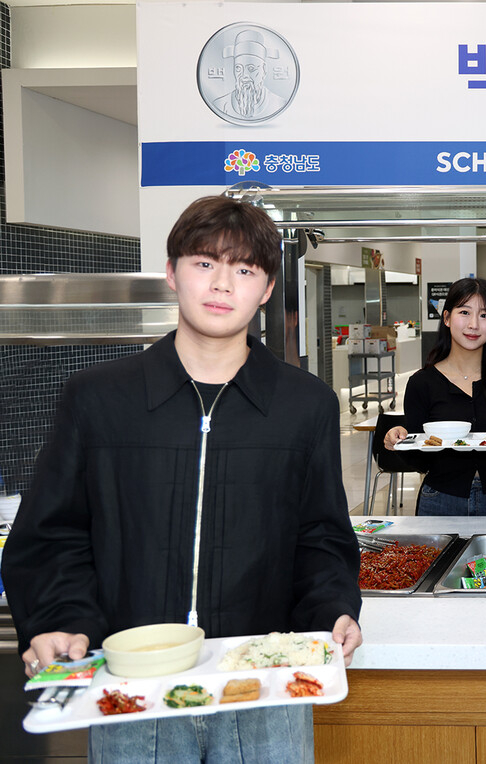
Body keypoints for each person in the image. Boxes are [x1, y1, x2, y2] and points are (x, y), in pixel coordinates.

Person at [2, 196, 362, 763]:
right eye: (204, 263)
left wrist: (332, 610)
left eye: (244, 270)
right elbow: (53, 534)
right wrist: (58, 619)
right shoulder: (98, 399)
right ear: (172, 272)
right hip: (133, 688)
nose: (222, 284)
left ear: (266, 289)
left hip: (262, 689)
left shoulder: (305, 405)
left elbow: (321, 535)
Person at [384, 278, 486, 515]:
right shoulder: (422, 382)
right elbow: (419, 460)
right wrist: (399, 442)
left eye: (485, 315)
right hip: (440, 498)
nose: (474, 324)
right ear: (447, 318)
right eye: (465, 312)